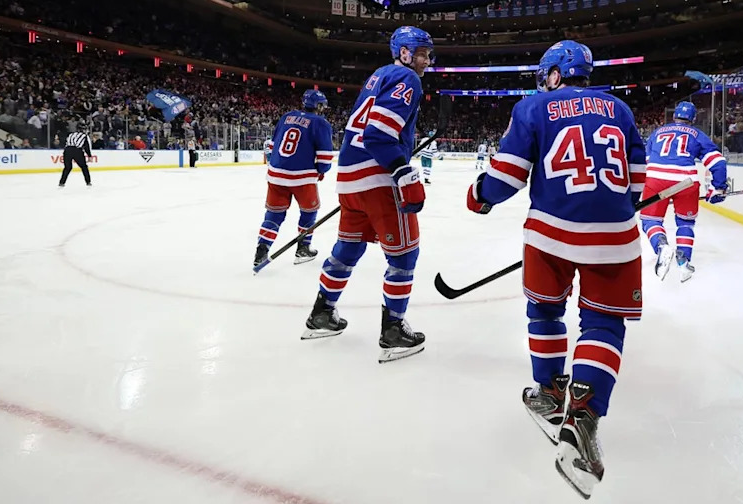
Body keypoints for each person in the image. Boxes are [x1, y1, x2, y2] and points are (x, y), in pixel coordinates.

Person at [464, 40, 647, 498]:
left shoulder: (533, 106)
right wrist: (623, 204)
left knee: (545, 311)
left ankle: (548, 392)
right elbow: (639, 178)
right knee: (604, 323)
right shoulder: (620, 109)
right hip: (614, 237)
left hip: (550, 234)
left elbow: (506, 177)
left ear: (553, 74)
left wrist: (479, 195)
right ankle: (583, 419)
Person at [300, 26, 433, 364]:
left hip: (349, 177)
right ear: (404, 52)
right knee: (404, 256)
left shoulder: (378, 75)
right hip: (377, 178)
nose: (427, 61)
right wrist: (403, 172)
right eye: (422, 53)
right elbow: (378, 134)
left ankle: (321, 312)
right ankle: (392, 330)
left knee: (348, 248)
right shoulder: (408, 79)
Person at [641, 102, 727, 282]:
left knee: (650, 220)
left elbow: (647, 161)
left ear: (674, 116)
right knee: (685, 223)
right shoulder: (698, 135)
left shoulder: (656, 133)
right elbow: (718, 162)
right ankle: (684, 263)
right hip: (686, 181)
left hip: (656, 178)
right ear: (693, 119)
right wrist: (717, 188)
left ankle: (661, 246)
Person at [253, 90, 335, 268]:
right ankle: (303, 248)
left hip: (276, 174)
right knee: (309, 212)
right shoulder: (321, 123)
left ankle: (261, 249)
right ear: (318, 106)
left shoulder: (287, 116)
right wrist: (320, 171)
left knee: (274, 214)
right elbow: (325, 158)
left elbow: (273, 145)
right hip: (302, 177)